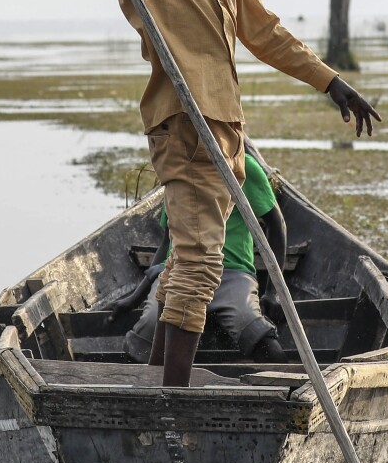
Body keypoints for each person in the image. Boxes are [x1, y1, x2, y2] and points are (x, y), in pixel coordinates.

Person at [18, 0, 380, 386]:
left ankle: (161, 381)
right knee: (199, 263)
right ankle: (174, 394)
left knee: (193, 261)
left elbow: (264, 34)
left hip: (227, 126)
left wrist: (332, 82)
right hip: (184, 124)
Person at [115, 154, 291, 365]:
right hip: (179, 270)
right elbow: (167, 241)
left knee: (257, 335)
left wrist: (275, 292)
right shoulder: (177, 167)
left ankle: (285, 385)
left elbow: (276, 225)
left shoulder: (243, 166)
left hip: (231, 272)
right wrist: (136, 296)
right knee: (146, 332)